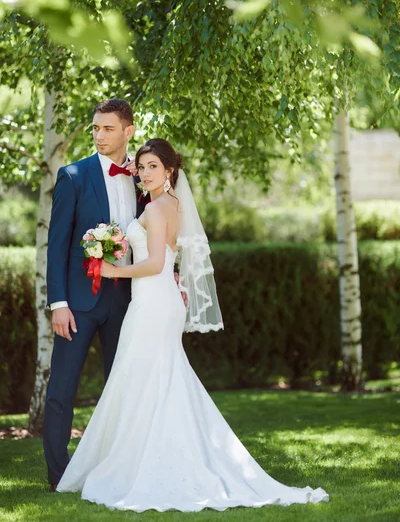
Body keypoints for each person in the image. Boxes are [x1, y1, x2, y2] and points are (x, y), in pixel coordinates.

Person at [56, 138, 329, 511]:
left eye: (153, 166)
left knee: (145, 378)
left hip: (153, 300)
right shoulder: (170, 205)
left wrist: (111, 269)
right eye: (143, 166)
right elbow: (165, 258)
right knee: (155, 378)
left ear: (169, 171)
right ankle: (150, 457)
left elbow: (153, 264)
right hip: (159, 298)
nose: (145, 172)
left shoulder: (155, 209)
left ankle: (147, 465)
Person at [44, 98, 146, 491]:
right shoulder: (73, 175)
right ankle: (58, 477)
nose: (100, 136)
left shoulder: (142, 177)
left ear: (128, 132)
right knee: (61, 391)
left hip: (126, 301)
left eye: (107, 129)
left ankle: (115, 471)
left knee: (122, 387)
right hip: (78, 304)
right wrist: (59, 303)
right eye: (95, 129)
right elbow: (56, 246)